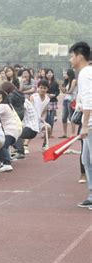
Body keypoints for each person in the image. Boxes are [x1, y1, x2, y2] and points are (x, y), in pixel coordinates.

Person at [69, 42, 92, 209]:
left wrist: (84, 125)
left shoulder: (85, 73)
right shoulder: (86, 73)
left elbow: (89, 100)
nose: (70, 60)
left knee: (90, 159)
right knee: (86, 159)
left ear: (79, 56)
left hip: (90, 124)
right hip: (89, 123)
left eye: (71, 56)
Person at [0, 89, 22, 171]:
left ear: (0, 96)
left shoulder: (2, 106)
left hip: (10, 131)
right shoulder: (6, 105)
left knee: (2, 145)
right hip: (12, 131)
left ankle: (7, 163)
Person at [60, 69, 78, 137]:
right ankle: (65, 133)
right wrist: (61, 87)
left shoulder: (74, 80)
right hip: (66, 100)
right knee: (64, 117)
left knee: (71, 117)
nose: (64, 75)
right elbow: (64, 91)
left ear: (69, 74)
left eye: (66, 74)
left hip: (71, 100)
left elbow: (70, 91)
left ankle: (73, 133)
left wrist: (65, 91)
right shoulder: (67, 81)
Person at [45, 69, 60, 135]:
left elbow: (58, 91)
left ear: (53, 74)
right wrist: (47, 94)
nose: (49, 74)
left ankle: (50, 132)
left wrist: (54, 95)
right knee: (46, 118)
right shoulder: (44, 82)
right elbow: (40, 89)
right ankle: (46, 132)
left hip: (53, 101)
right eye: (48, 73)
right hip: (45, 101)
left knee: (51, 118)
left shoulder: (55, 82)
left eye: (51, 73)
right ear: (46, 74)